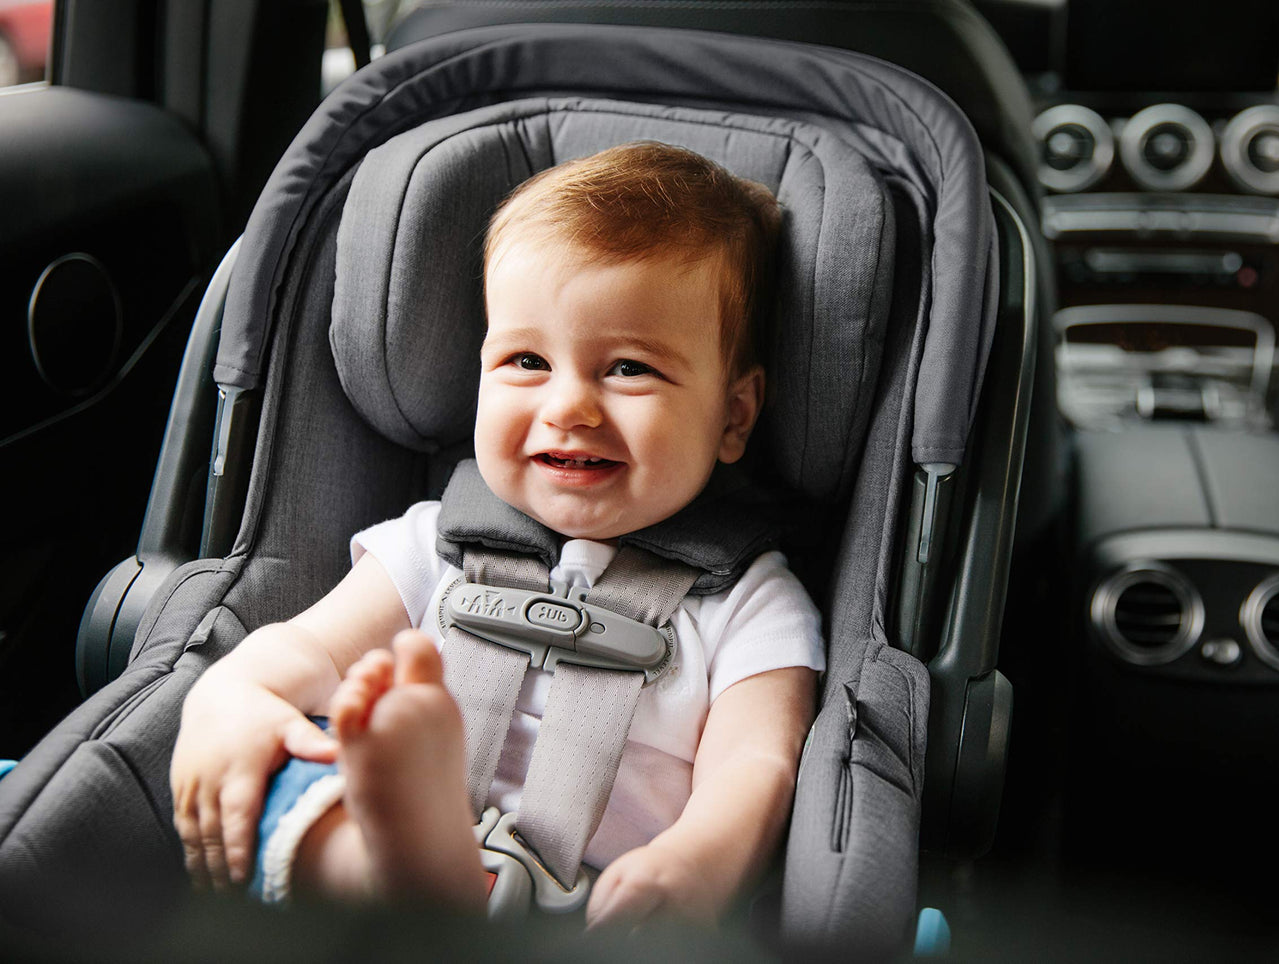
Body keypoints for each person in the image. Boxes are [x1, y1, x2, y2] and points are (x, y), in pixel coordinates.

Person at [169, 141, 825, 930]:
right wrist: (237, 693)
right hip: (382, 859)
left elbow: (755, 764)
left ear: (733, 416)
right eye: (526, 360)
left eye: (628, 369)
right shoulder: (432, 545)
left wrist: (699, 860)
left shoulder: (751, 601)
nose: (569, 407)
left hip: (600, 915)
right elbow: (308, 649)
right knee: (286, 759)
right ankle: (404, 863)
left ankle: (416, 871)